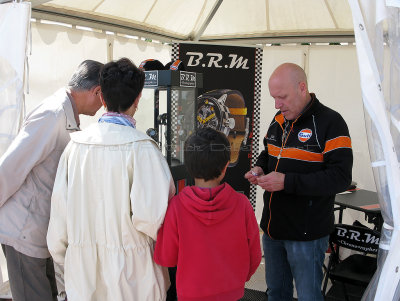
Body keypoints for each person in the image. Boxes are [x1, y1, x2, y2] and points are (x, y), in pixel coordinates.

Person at [47, 57, 175, 301]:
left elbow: (58, 229)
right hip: (136, 278)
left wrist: (75, 261)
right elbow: (154, 219)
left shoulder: (74, 147)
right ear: (137, 99)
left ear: (102, 97)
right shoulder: (144, 150)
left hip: (84, 279)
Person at [245, 63, 353, 301]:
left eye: (282, 97)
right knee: (276, 293)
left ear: (302, 88)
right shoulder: (278, 118)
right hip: (273, 230)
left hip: (307, 235)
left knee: (307, 295)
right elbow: (268, 152)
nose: (277, 104)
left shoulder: (331, 122)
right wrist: (260, 167)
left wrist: (287, 182)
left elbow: (341, 178)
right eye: (274, 98)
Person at [0, 59, 103, 301]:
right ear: (96, 91)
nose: (103, 105)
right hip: (23, 231)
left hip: (39, 231)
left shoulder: (65, 113)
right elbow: (10, 168)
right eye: (103, 98)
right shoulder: (52, 114)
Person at [155, 127, 261, 301]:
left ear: (188, 166)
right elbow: (255, 255)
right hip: (232, 291)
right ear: (226, 166)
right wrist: (239, 278)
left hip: (190, 293)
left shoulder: (176, 207)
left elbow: (166, 258)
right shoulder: (242, 205)